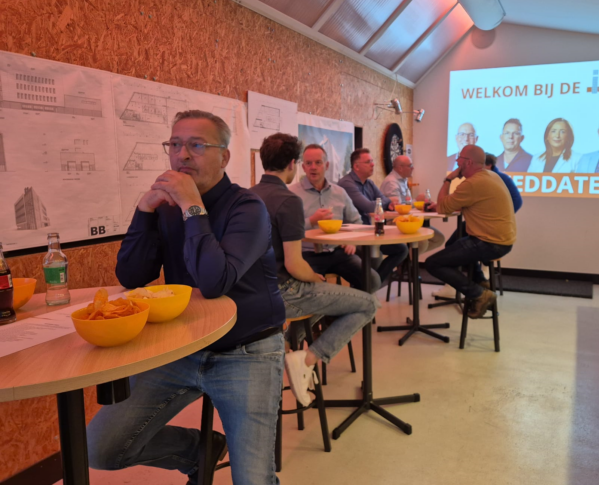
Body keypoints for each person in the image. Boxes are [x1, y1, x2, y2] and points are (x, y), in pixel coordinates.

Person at [87, 110, 285, 485]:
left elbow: (214, 281)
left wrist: (193, 207)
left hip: (247, 350)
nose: (183, 155)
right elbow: (132, 277)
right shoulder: (168, 209)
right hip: (182, 346)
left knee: (253, 479)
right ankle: (197, 450)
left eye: (196, 145)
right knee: (100, 448)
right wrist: (144, 211)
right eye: (175, 144)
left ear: (224, 157)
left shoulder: (248, 208)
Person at [251, 134, 377, 408]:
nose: (311, 167)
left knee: (362, 283)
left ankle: (294, 342)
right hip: (284, 289)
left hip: (253, 294)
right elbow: (295, 265)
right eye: (305, 162)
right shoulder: (288, 199)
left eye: (317, 162)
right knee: (369, 303)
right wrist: (314, 278)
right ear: (293, 164)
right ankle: (306, 359)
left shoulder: (248, 195)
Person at [425, 145, 516, 318]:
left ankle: (479, 294)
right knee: (456, 244)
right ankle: (481, 282)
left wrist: (448, 179)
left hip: (490, 243)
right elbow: (467, 203)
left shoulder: (472, 183)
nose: (456, 161)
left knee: (433, 263)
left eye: (459, 158)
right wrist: (447, 203)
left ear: (467, 163)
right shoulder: (491, 176)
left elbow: (443, 208)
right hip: (502, 240)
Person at [289, 143, 380, 290]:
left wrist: (352, 242)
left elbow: (357, 222)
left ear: (327, 165)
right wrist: (312, 221)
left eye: (318, 162)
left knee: (372, 281)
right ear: (303, 167)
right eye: (308, 163)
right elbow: (288, 229)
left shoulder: (339, 192)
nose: (313, 167)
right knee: (311, 289)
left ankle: (354, 302)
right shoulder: (292, 194)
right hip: (306, 254)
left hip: (338, 252)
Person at [338, 148, 408, 284]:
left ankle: (370, 287)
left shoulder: (369, 183)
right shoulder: (347, 184)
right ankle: (369, 287)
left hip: (368, 232)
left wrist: (385, 202)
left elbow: (383, 200)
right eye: (368, 162)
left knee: (401, 249)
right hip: (350, 236)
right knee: (375, 257)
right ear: (356, 166)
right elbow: (369, 206)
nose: (373, 164)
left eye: (372, 161)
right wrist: (386, 202)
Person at [382, 155, 445, 254]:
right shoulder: (391, 182)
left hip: (409, 221)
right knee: (422, 242)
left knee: (439, 239)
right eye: (410, 165)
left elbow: (406, 204)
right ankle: (408, 261)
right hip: (395, 222)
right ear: (400, 168)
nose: (413, 168)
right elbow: (397, 208)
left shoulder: (403, 179)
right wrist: (416, 201)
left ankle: (406, 259)